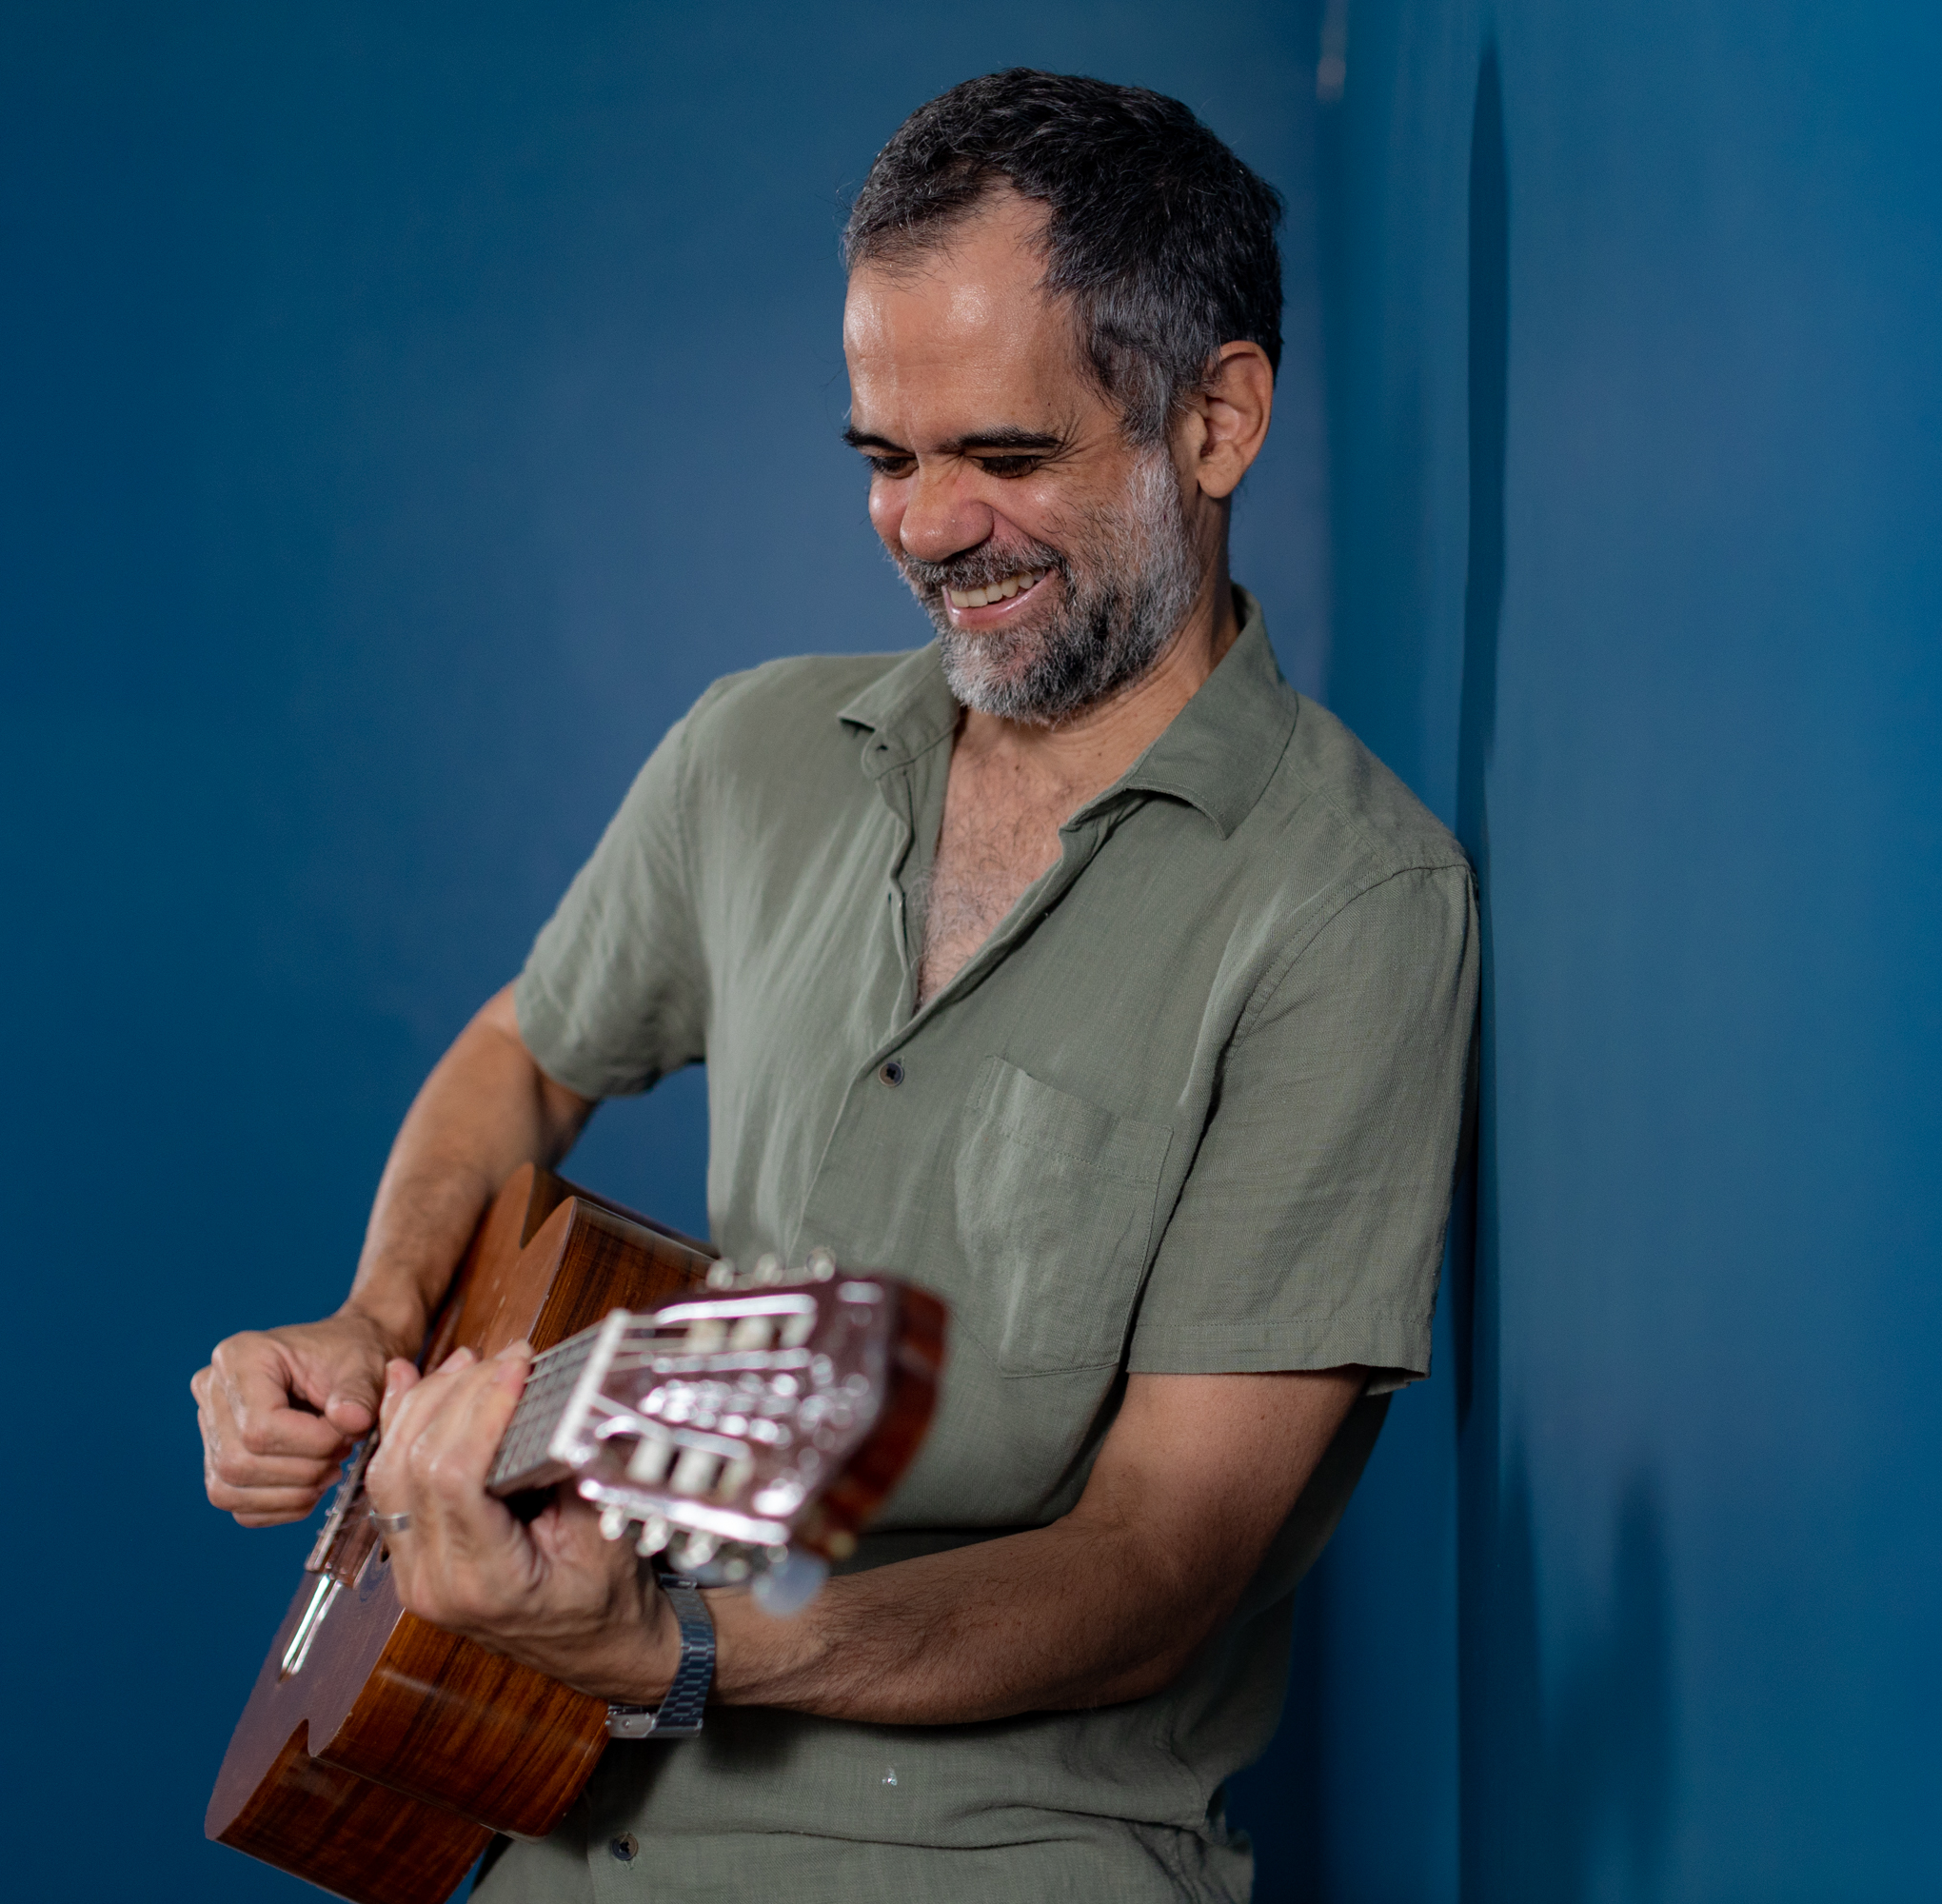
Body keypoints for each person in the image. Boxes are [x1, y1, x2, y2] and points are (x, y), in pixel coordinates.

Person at [189, 69, 1476, 1902]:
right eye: (887, 457)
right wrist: (372, 1325)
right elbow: (524, 1055)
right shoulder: (753, 752)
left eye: (1004, 458)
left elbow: (1159, 1561)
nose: (929, 528)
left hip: (993, 1860)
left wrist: (678, 1652)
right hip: (552, 1826)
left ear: (1217, 419)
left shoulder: (1351, 905)